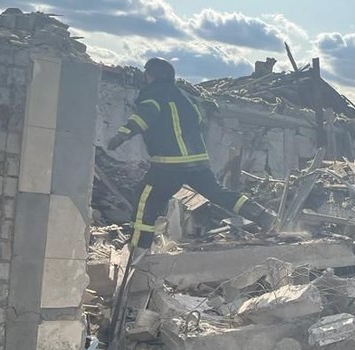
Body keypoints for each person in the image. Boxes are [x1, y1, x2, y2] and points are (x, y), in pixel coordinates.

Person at [107, 57, 277, 252]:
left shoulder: (154, 94)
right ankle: (262, 215)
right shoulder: (185, 98)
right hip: (198, 162)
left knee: (145, 201)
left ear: (152, 76)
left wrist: (123, 135)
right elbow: (198, 124)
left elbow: (145, 115)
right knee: (217, 193)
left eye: (147, 74)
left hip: (168, 164)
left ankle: (138, 250)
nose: (145, 78)